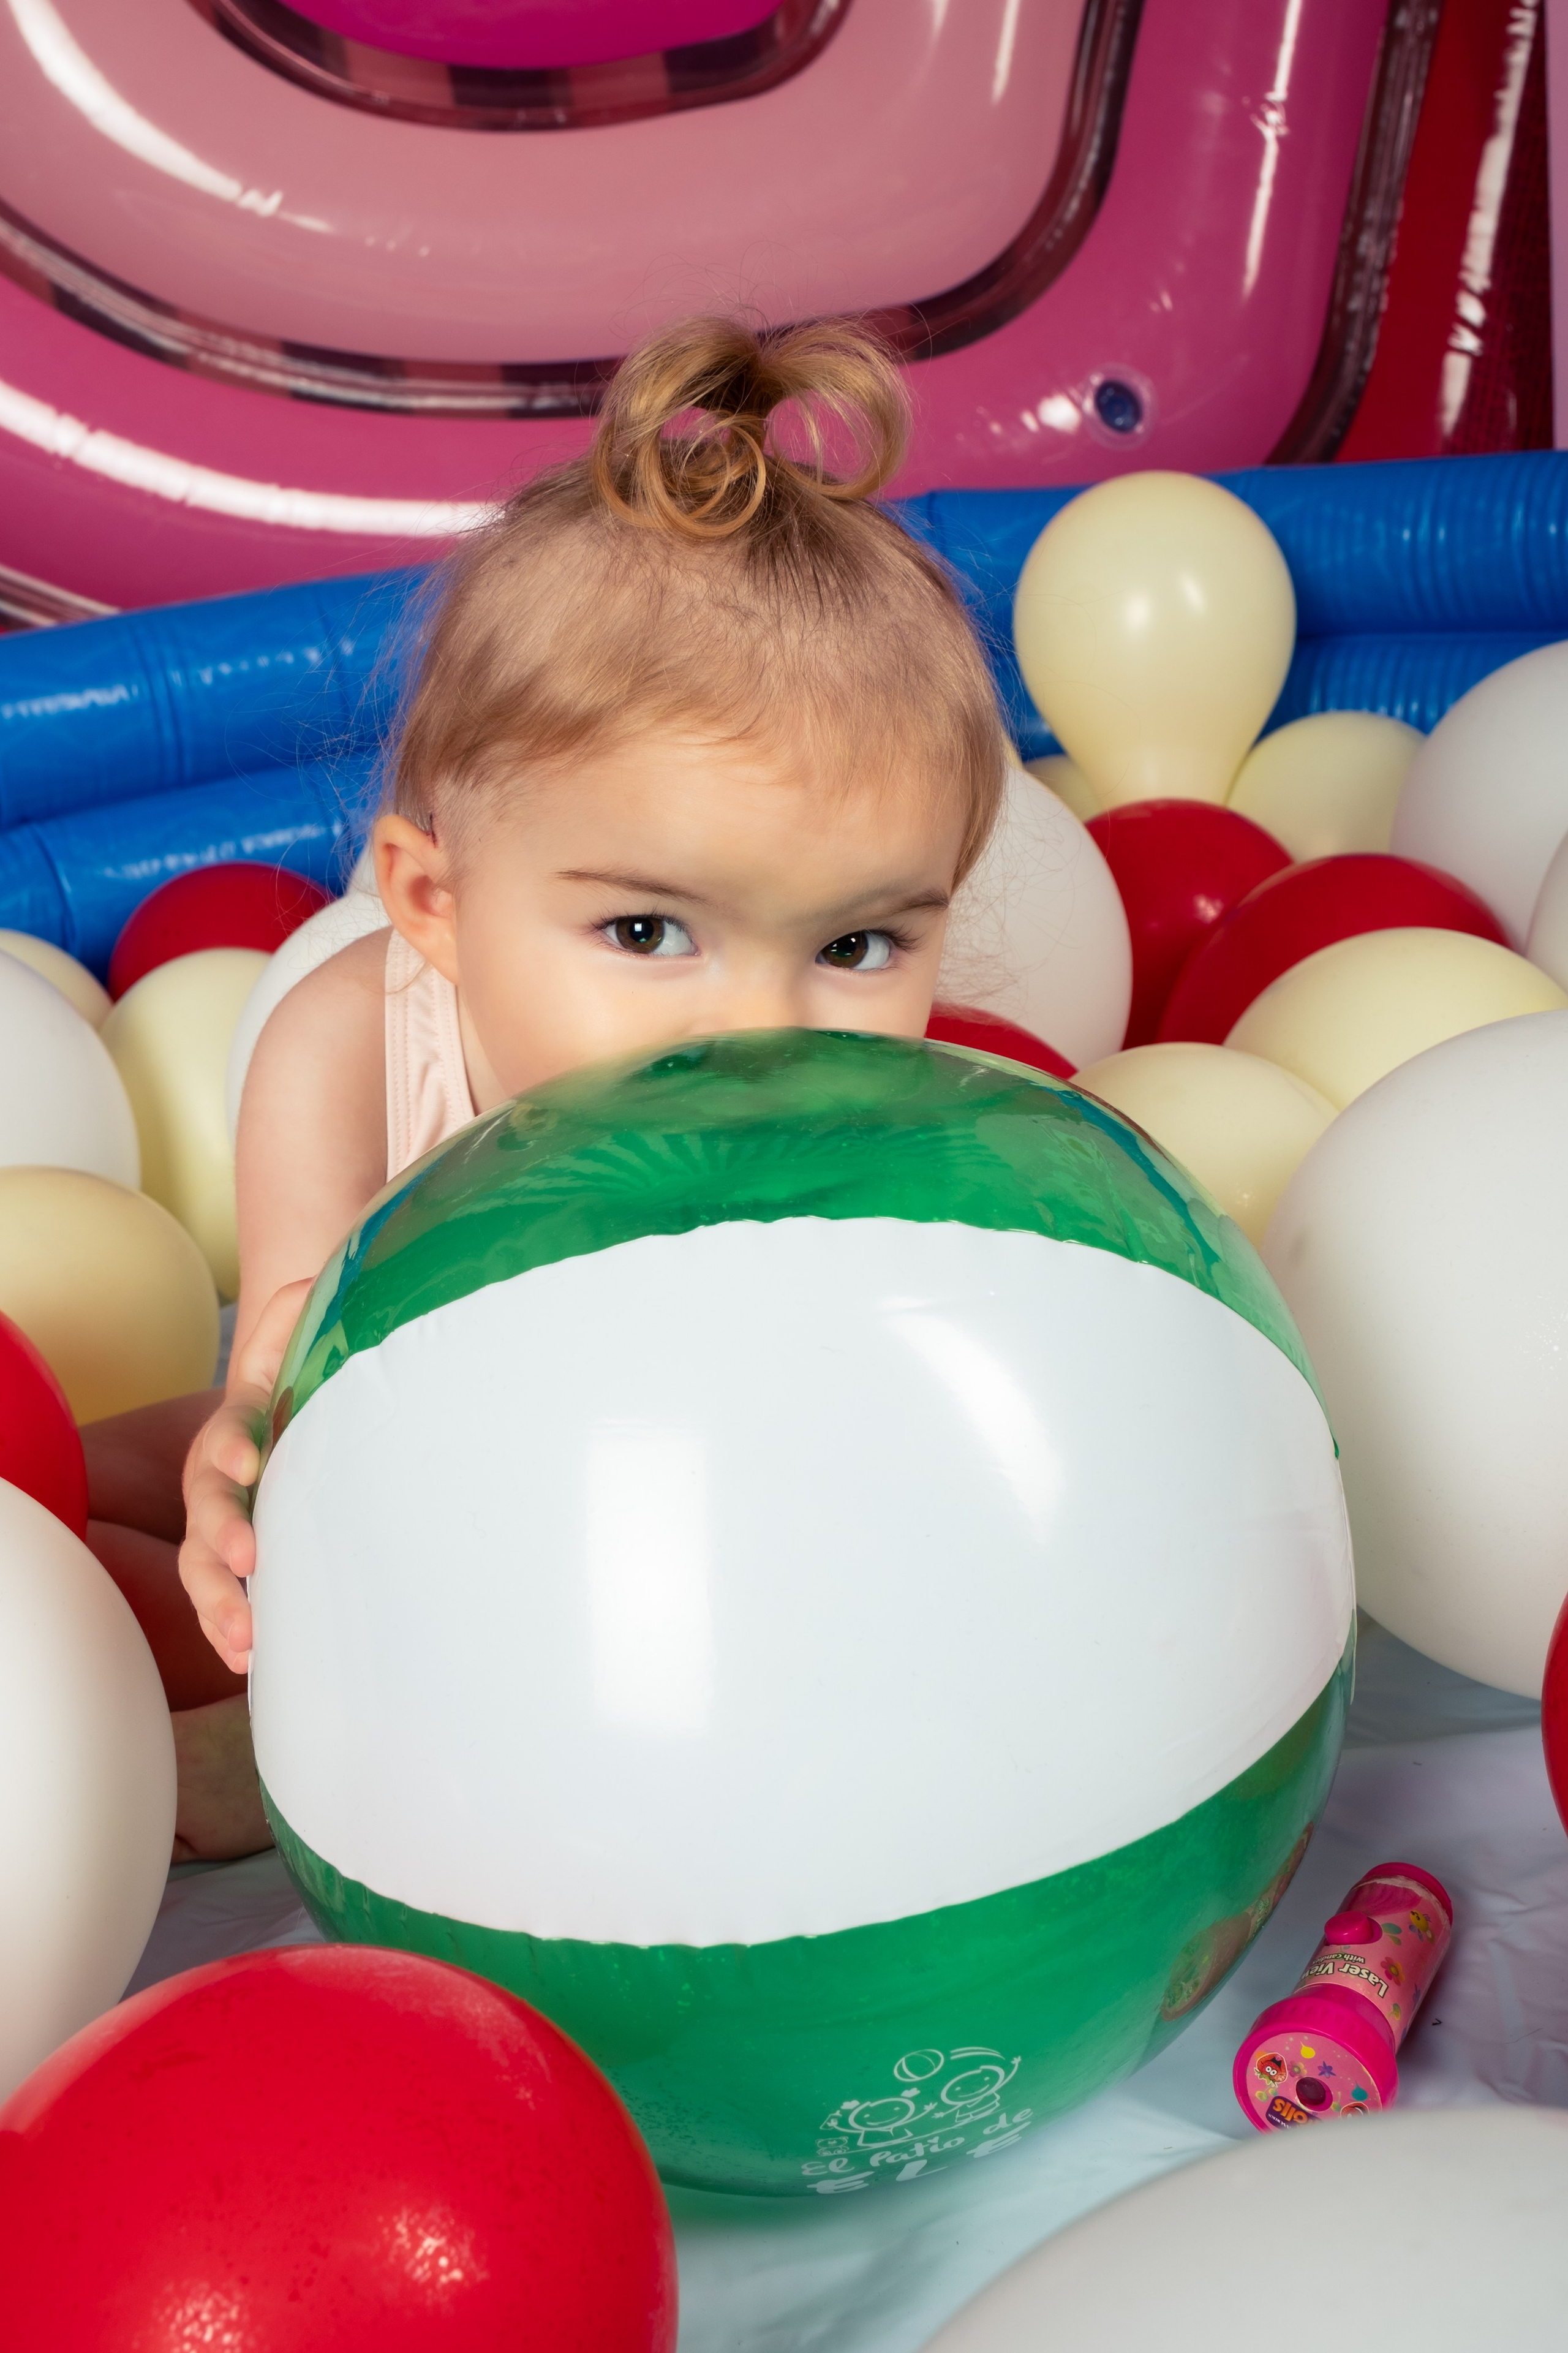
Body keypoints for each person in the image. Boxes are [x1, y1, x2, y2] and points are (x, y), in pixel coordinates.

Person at [88, 313, 1012, 1858]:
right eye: (646, 930)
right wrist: (243, 1464)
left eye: (856, 941)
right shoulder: (343, 1043)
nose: (757, 1026)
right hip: (418, 1412)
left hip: (654, 1455)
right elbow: (301, 1379)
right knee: (132, 1466)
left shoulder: (885, 1111)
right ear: (436, 903)